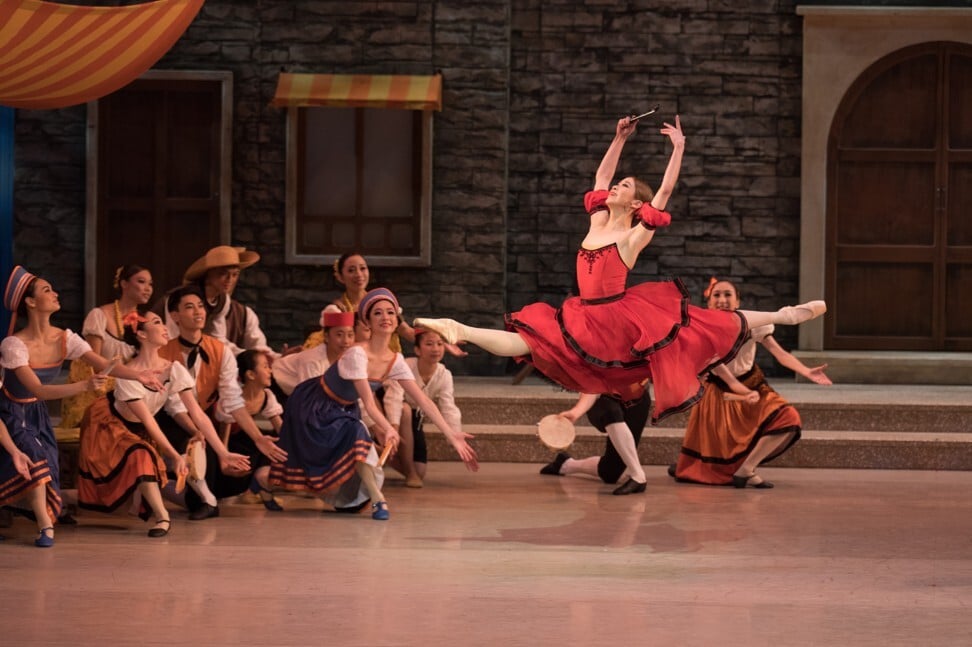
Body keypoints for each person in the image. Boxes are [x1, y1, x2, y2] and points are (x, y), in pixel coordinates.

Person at [415, 115, 826, 423]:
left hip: (617, 316)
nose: (614, 187)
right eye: (619, 184)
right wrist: (619, 137)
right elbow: (601, 174)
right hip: (585, 312)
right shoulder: (596, 221)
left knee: (704, 323)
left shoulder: (632, 237)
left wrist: (678, 149)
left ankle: (784, 315)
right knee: (530, 340)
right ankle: (459, 328)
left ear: (633, 205)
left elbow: (663, 193)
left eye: (624, 187)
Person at [258, 288, 478, 521]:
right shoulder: (357, 354)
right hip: (315, 405)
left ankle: (262, 481)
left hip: (342, 408)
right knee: (337, 447)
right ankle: (378, 500)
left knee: (325, 466)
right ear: (368, 322)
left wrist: (451, 434)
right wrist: (389, 428)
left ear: (397, 320)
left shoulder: (394, 360)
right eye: (378, 313)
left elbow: (424, 401)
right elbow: (369, 404)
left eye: (390, 312)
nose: (385, 317)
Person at [0, 266, 160, 547]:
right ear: (30, 301)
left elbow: (102, 364)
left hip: (37, 415)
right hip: (12, 413)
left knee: (46, 467)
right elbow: (39, 389)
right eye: (47, 290)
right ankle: (45, 527)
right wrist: (83, 387)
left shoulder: (66, 338)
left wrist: (139, 375)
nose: (55, 293)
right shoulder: (14, 344)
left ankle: (41, 519)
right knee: (35, 459)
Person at [670, 278, 832, 488]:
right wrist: (742, 392)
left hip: (752, 382)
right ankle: (739, 470)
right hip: (720, 390)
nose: (722, 300)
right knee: (722, 448)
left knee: (787, 418)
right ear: (708, 303)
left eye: (728, 295)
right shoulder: (702, 330)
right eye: (716, 295)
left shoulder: (752, 323)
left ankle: (746, 469)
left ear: (738, 301)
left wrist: (806, 371)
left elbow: (779, 353)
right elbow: (721, 371)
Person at [157, 285, 274, 520]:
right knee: (200, 449)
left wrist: (258, 437)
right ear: (175, 316)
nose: (198, 312)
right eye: (189, 307)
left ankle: (194, 492)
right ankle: (201, 499)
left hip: (201, 418)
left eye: (200, 306)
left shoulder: (221, 350)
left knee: (245, 460)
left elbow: (232, 400)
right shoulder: (163, 352)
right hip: (168, 419)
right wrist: (197, 432)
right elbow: (174, 406)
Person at [77, 311, 195, 538]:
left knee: (126, 501)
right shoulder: (128, 373)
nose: (164, 327)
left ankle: (62, 499)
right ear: (141, 333)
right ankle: (163, 518)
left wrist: (220, 449)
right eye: (157, 322)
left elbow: (196, 412)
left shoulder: (173, 369)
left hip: (137, 430)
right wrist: (174, 455)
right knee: (138, 456)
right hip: (108, 426)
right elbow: (149, 421)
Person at [60, 264, 154, 429]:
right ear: (124, 284)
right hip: (100, 394)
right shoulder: (99, 316)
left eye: (150, 284)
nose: (148, 288)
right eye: (141, 282)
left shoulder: (146, 322)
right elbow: (92, 363)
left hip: (132, 395)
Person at [382, 328, 463, 488]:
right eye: (429, 344)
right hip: (390, 412)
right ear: (417, 350)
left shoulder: (444, 374)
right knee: (404, 409)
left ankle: (404, 466)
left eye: (440, 344)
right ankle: (408, 470)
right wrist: (393, 426)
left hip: (415, 416)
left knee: (421, 472)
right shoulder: (405, 366)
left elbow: (448, 406)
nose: (435, 349)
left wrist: (454, 434)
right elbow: (394, 398)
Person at [161, 245, 274, 357]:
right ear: (209, 274)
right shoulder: (183, 297)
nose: (230, 280)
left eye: (234, 275)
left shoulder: (222, 300)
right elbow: (172, 335)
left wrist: (246, 354)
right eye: (223, 274)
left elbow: (217, 337)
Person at [539, 388, 653, 495]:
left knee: (610, 472)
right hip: (603, 399)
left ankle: (566, 464)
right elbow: (591, 383)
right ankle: (638, 475)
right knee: (610, 411)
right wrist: (576, 412)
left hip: (637, 396)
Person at [213, 349, 285, 511]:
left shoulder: (267, 396)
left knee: (275, 444)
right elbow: (223, 435)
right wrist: (223, 463)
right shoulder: (232, 397)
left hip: (250, 444)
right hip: (226, 445)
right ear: (251, 375)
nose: (270, 371)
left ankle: (262, 482)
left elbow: (282, 430)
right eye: (265, 366)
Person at [273, 310, 356, 397]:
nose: (346, 341)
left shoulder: (348, 359)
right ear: (326, 337)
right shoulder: (312, 361)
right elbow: (310, 397)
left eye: (350, 335)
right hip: (275, 387)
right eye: (339, 335)